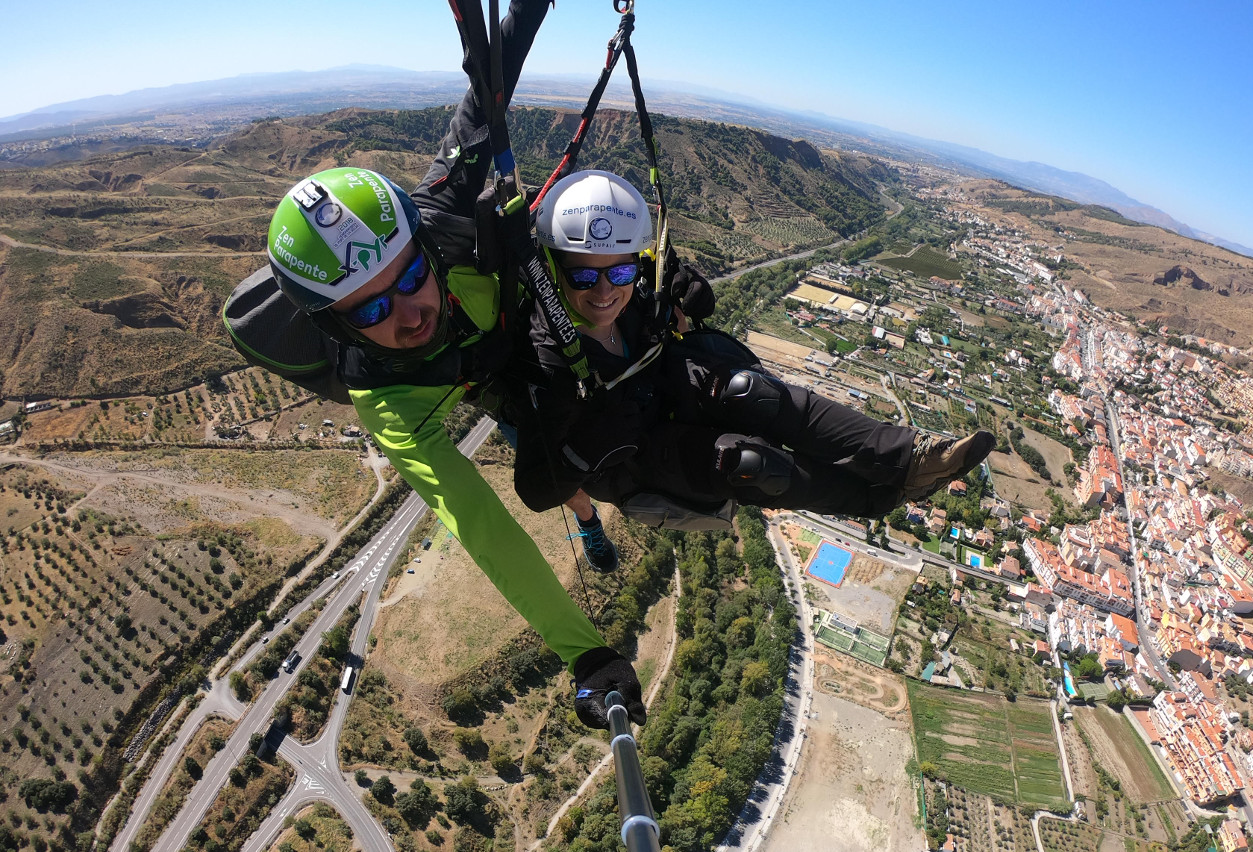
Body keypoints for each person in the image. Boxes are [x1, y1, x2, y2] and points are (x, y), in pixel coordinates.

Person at [248, 1, 641, 730]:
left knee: (550, 453)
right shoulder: (382, 401)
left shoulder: (437, 210)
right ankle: (584, 518)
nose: (406, 311)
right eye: (368, 310)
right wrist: (583, 654)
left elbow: (486, 90)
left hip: (494, 352)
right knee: (541, 452)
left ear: (421, 243)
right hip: (438, 385)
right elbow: (481, 527)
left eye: (408, 277)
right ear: (332, 325)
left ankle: (584, 519)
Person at [507, 170, 996, 524]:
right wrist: (588, 447)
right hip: (633, 455)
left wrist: (680, 290)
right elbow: (533, 489)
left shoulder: (633, 292)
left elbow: (658, 302)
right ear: (551, 269)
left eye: (619, 271)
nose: (604, 291)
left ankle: (913, 456)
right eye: (582, 274)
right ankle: (878, 499)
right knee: (749, 465)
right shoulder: (548, 359)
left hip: (663, 388)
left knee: (752, 393)